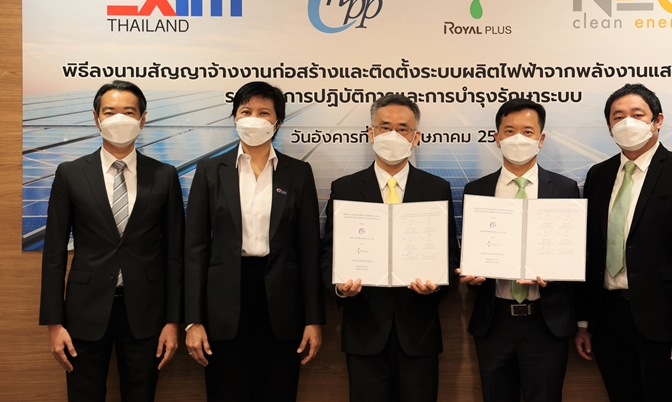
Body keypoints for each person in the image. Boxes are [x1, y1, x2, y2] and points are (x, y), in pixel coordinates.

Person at [39, 80, 184, 402]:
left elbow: (175, 254)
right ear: (96, 118)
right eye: (110, 111)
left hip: (147, 312)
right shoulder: (70, 173)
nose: (119, 118)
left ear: (143, 119)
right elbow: (53, 254)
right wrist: (54, 323)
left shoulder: (164, 175)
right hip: (84, 311)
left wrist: (173, 321)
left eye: (129, 112)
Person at [184, 81, 325, 402]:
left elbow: (308, 250)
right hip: (223, 304)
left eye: (264, 113)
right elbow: (194, 249)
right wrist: (193, 320)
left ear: (278, 122)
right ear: (234, 117)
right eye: (246, 111)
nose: (254, 119)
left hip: (283, 305)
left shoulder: (298, 172)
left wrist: (314, 319)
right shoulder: (210, 170)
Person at [574, 83, 672, 402]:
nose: (627, 122)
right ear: (609, 126)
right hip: (607, 317)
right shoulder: (598, 175)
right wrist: (584, 322)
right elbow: (589, 251)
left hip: (661, 320)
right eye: (618, 116)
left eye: (637, 115)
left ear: (657, 120)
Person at [320, 94, 460, 402]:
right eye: (385, 127)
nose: (393, 135)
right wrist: (340, 288)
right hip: (364, 330)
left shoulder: (436, 188)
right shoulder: (345, 188)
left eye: (403, 128)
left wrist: (436, 285)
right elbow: (329, 253)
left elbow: (451, 253)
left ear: (416, 137)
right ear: (370, 133)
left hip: (419, 331)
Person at [457, 99, 579, 402]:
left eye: (527, 131)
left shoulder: (564, 188)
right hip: (494, 321)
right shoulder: (477, 190)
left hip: (545, 322)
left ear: (541, 139)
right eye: (509, 131)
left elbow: (578, 253)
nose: (518, 139)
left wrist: (556, 273)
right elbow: (472, 250)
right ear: (497, 138)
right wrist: (472, 275)